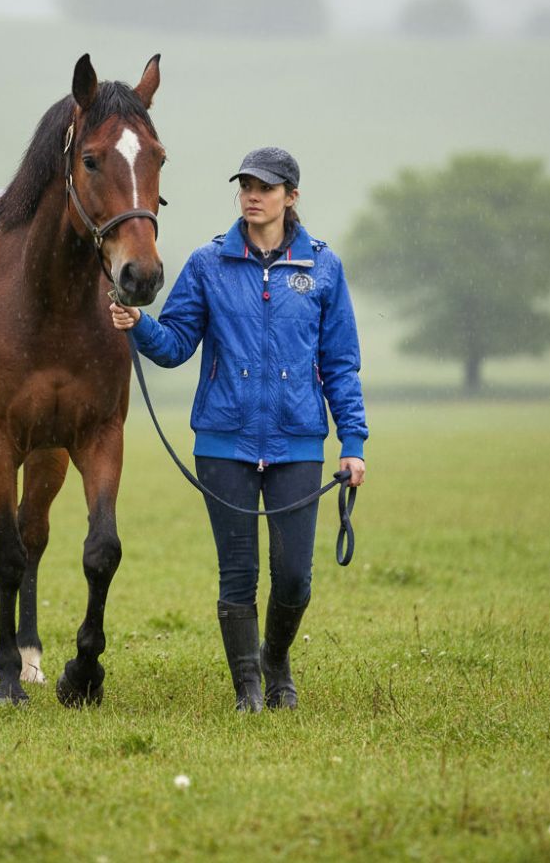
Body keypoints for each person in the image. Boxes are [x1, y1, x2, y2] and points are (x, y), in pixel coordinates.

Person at [110, 146, 368, 712]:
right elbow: (177, 345)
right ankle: (249, 687)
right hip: (223, 444)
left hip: (297, 444)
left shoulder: (322, 267)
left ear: (290, 197)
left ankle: (276, 660)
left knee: (295, 577)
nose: (253, 195)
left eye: (266, 187)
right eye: (246, 185)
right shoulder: (208, 264)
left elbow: (341, 364)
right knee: (238, 575)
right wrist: (140, 324)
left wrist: (352, 444)